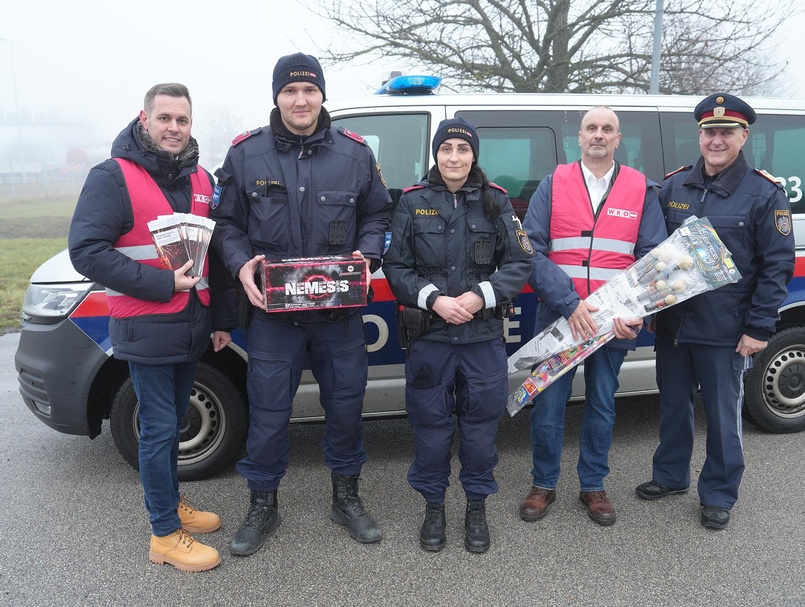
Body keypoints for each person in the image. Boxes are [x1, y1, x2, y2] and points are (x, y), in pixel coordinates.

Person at [210, 53, 391, 555]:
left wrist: (369, 254)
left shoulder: (355, 154)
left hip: (338, 315)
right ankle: (262, 504)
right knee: (268, 413)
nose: (300, 100)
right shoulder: (246, 154)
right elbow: (226, 224)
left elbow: (378, 216)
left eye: (309, 90)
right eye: (290, 91)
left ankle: (346, 498)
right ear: (277, 97)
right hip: (274, 317)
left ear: (322, 95)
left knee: (346, 409)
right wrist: (240, 263)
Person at [68, 83, 234, 572]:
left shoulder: (201, 177)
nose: (173, 128)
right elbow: (87, 251)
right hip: (146, 326)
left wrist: (221, 320)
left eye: (182, 120)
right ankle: (163, 533)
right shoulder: (112, 176)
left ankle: (171, 502)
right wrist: (162, 283)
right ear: (144, 120)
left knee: (175, 420)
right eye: (164, 118)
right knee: (160, 429)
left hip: (192, 326)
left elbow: (213, 255)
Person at [635, 93, 795, 530]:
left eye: (727, 132)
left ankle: (719, 493)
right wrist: (646, 308)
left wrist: (759, 327)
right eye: (710, 132)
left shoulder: (765, 194)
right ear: (699, 136)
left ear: (744, 136)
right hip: (673, 324)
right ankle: (671, 476)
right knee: (673, 406)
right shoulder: (674, 187)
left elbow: (777, 267)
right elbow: (654, 255)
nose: (716, 140)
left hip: (727, 329)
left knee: (723, 417)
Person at [383, 117, 533, 553]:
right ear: (436, 154)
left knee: (481, 431)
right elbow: (396, 266)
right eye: (446, 148)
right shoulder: (413, 201)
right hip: (430, 338)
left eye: (462, 149)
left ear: (473, 155)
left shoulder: (495, 200)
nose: (454, 157)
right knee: (430, 430)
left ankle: (476, 507)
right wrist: (433, 300)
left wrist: (481, 295)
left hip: (481, 337)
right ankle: (434, 507)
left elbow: (521, 261)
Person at [519, 106, 667, 526]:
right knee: (548, 404)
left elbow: (651, 258)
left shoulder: (640, 188)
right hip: (560, 316)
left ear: (618, 139)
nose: (598, 135)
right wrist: (570, 304)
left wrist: (635, 313)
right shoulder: (553, 183)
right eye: (591, 128)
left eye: (607, 129)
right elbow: (531, 249)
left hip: (612, 323)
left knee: (602, 404)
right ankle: (543, 484)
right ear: (579, 138)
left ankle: (593, 485)